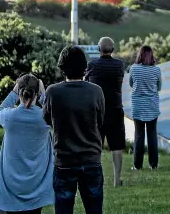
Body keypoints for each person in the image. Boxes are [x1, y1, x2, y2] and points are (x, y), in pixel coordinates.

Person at [43, 45, 106, 214]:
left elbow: (47, 120)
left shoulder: (52, 92)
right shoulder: (96, 91)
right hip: (91, 159)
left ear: (62, 67)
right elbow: (100, 121)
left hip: (64, 161)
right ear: (84, 67)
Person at [0, 73, 54, 214]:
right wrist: (44, 94)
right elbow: (55, 114)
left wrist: (14, 91)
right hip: (38, 183)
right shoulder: (44, 117)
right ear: (37, 93)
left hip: (12, 183)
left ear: (19, 92)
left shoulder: (9, 117)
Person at [84, 36, 125, 187]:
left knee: (95, 146)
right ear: (112, 50)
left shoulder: (92, 65)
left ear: (98, 49)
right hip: (115, 109)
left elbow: (86, 82)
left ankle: (94, 179)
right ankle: (116, 180)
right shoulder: (119, 65)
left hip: (96, 110)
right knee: (117, 145)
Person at [129, 45, 162, 170]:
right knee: (152, 134)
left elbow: (131, 84)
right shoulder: (156, 70)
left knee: (139, 135)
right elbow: (159, 87)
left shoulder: (133, 68)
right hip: (152, 106)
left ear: (140, 55)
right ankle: (153, 164)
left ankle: (138, 165)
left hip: (138, 106)